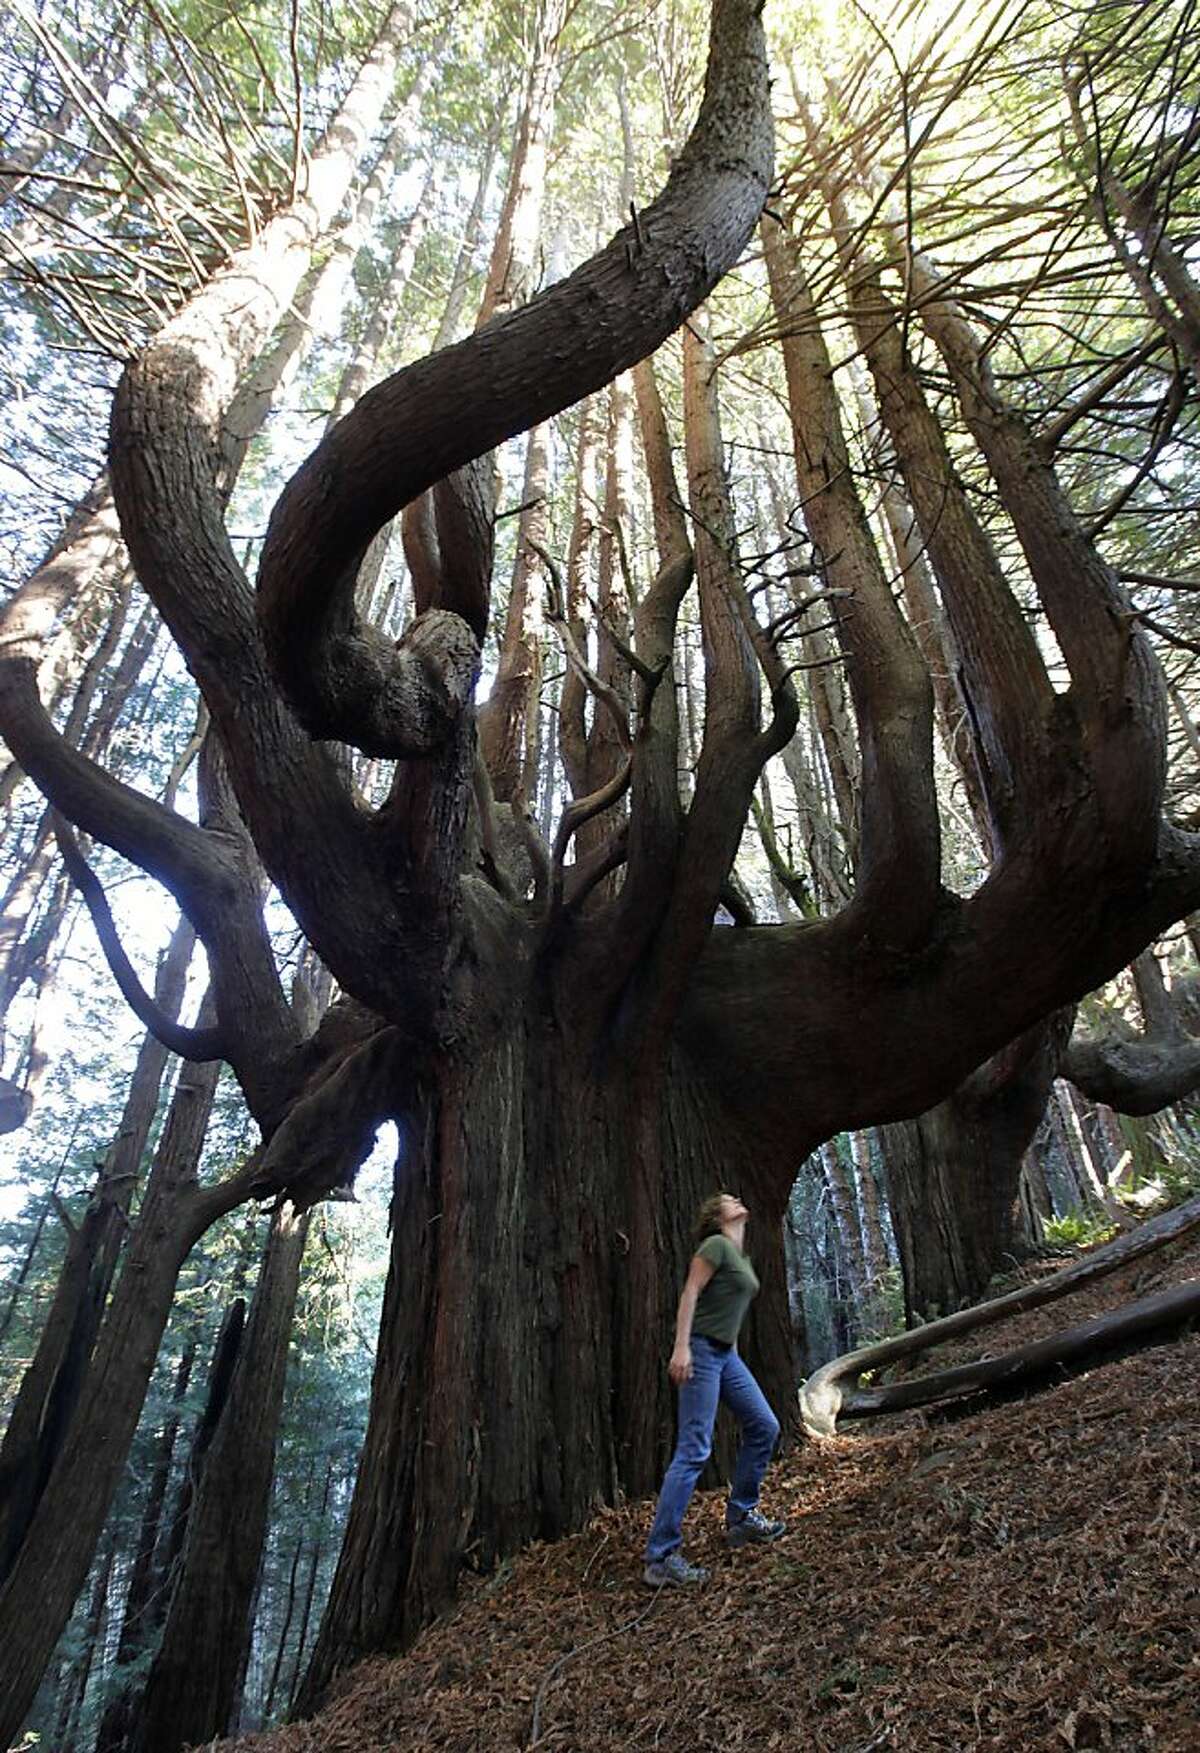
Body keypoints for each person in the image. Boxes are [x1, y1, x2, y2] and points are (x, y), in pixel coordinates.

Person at [643, 1191, 785, 1587]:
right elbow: (690, 1293)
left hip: (726, 1355)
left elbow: (729, 1310)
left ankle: (741, 1517)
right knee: (694, 1448)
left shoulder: (739, 1256)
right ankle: (660, 1556)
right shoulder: (715, 1245)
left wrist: (731, 1353)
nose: (738, 1199)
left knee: (764, 1426)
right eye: (728, 1199)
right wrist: (681, 1347)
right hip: (701, 1350)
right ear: (717, 1215)